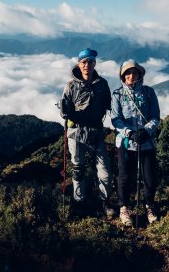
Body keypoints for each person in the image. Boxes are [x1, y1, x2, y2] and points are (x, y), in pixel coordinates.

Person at [60, 48, 114, 217]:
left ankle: (103, 202)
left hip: (96, 132)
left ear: (94, 63)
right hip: (76, 133)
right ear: (78, 64)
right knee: (78, 169)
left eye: (90, 62)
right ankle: (79, 201)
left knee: (105, 170)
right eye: (84, 62)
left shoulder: (102, 84)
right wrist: (65, 112)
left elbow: (109, 105)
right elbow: (64, 110)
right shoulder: (70, 85)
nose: (87, 65)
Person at [111, 59, 161, 226]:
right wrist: (130, 132)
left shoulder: (148, 92)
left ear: (140, 75)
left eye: (134, 72)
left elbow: (155, 116)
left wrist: (146, 131)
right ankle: (124, 207)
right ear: (123, 76)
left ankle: (149, 206)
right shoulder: (117, 95)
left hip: (146, 142)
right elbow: (115, 119)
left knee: (150, 177)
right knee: (125, 177)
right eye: (128, 73)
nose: (131, 76)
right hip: (125, 142)